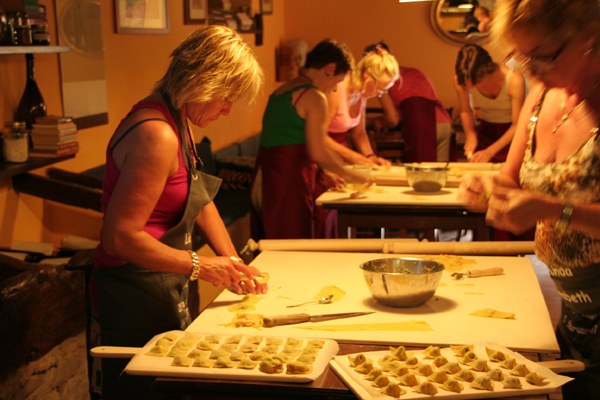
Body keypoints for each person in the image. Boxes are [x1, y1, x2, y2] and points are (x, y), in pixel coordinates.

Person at [89, 26, 267, 400]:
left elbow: (199, 199)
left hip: (165, 278)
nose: (228, 109)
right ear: (202, 80)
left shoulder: (178, 119)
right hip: (134, 289)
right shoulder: (157, 133)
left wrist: (231, 261)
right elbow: (119, 237)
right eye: (226, 97)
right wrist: (202, 266)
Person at [459, 0, 600, 398]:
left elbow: (548, 204)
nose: (530, 69)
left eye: (542, 55)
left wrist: (552, 209)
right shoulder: (541, 96)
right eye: (521, 56)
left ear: (588, 38)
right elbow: (509, 177)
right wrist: (485, 189)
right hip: (572, 305)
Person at [251, 39, 369, 240]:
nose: (334, 89)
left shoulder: (282, 90)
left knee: (273, 237)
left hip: (265, 175)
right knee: (292, 239)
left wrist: (326, 172)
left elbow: (296, 139)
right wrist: (352, 175)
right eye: (338, 81)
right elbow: (318, 150)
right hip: (290, 179)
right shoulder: (314, 97)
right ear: (329, 69)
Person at [371, 43, 453, 163]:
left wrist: (376, 121)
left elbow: (393, 119)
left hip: (422, 126)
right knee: (443, 173)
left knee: (422, 173)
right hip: (444, 123)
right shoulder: (414, 71)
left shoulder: (382, 78)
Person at [325, 44, 399, 169]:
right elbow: (318, 135)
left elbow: (359, 133)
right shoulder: (336, 90)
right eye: (379, 88)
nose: (379, 94)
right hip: (322, 154)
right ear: (367, 74)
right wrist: (352, 156)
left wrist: (371, 157)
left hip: (340, 155)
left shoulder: (361, 92)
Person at [455, 43, 528, 163]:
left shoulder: (514, 80)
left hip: (513, 133)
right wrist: (470, 134)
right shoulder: (461, 79)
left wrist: (490, 151)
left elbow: (517, 125)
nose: (471, 86)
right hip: (487, 130)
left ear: (487, 71)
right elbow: (465, 111)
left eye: (475, 82)